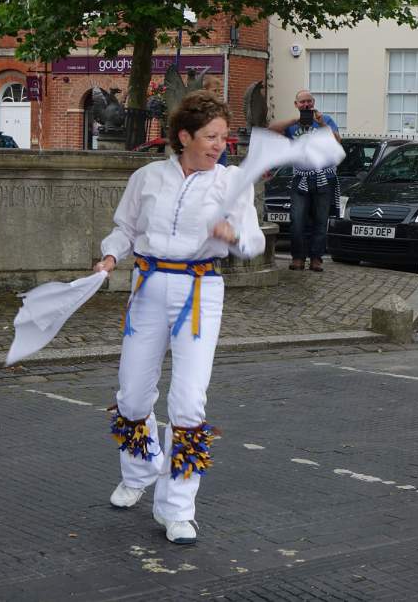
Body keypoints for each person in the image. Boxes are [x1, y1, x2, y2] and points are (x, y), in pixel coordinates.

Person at [93, 91, 265, 544]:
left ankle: (177, 508)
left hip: (200, 291)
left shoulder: (232, 182)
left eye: (224, 137)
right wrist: (110, 257)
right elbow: (125, 229)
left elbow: (255, 241)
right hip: (147, 287)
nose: (220, 145)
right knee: (132, 395)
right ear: (184, 136)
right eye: (211, 136)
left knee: (188, 401)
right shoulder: (147, 177)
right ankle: (139, 473)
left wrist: (234, 235)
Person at [268, 89, 342, 271]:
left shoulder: (326, 120)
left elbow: (338, 142)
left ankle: (316, 258)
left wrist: (322, 124)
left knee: (320, 221)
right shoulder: (292, 124)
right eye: (302, 102)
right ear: (296, 104)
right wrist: (294, 120)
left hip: (324, 177)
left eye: (309, 101)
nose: (306, 104)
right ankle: (298, 258)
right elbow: (271, 130)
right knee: (297, 221)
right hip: (301, 178)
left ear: (313, 103)